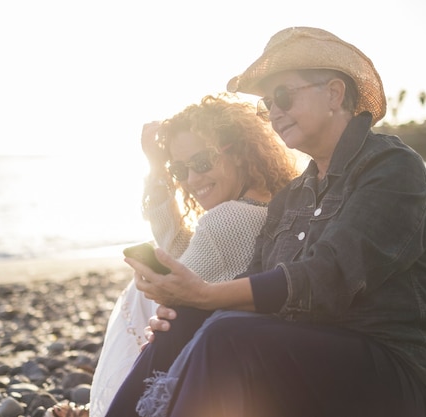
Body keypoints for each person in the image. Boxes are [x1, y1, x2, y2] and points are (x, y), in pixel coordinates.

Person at [123, 27, 426, 417]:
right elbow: (257, 283)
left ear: (333, 93)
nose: (275, 112)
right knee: (186, 323)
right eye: (267, 104)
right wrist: (188, 310)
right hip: (307, 355)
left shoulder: (392, 168)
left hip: (394, 374)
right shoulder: (292, 197)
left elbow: (330, 276)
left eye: (282, 96)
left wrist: (207, 296)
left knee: (225, 332)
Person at [46, 94, 298, 417]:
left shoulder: (227, 219)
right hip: (242, 343)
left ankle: (107, 408)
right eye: (180, 169)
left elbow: (174, 279)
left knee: (138, 295)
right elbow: (179, 247)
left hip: (210, 348)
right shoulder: (268, 203)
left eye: (203, 162)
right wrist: (158, 170)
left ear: (237, 152)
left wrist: (154, 284)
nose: (192, 180)